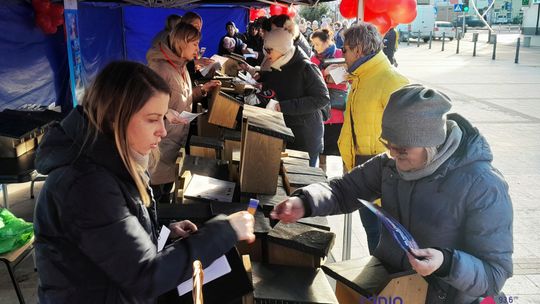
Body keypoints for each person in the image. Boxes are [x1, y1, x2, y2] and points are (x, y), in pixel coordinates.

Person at [33, 61, 255, 303]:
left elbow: (112, 239)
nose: (163, 130)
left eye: (163, 117)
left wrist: (161, 232)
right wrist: (225, 231)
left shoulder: (111, 159)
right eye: (153, 119)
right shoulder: (86, 184)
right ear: (116, 118)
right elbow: (145, 277)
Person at [271, 84, 513, 304]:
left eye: (403, 150)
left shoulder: (483, 186)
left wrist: (445, 263)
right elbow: (344, 189)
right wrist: (305, 202)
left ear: (431, 144)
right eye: (388, 145)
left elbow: (494, 273)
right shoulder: (389, 165)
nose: (394, 155)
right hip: (388, 287)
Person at [339, 22, 409, 254]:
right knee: (372, 234)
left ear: (358, 50)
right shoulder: (360, 79)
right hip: (363, 173)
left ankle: (381, 287)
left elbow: (408, 138)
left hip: (384, 178)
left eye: (345, 49)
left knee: (382, 242)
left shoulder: (391, 80)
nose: (343, 54)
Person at [146, 23, 220, 203]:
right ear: (181, 43)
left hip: (174, 143)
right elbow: (145, 107)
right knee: (155, 199)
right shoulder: (161, 69)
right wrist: (166, 112)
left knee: (166, 195)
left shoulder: (182, 66)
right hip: (159, 146)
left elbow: (182, 98)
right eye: (194, 44)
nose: (197, 49)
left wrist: (202, 90)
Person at [258, 28, 329, 167]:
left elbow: (322, 98)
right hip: (290, 132)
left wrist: (283, 106)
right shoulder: (281, 64)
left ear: (281, 48)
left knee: (302, 182)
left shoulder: (306, 67)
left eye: (269, 50)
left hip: (306, 137)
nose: (267, 54)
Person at [309, 29, 348, 170]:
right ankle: (322, 173)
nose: (315, 48)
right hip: (322, 109)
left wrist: (330, 77)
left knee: (342, 145)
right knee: (322, 147)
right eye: (313, 44)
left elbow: (345, 79)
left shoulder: (341, 54)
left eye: (318, 44)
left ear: (327, 41)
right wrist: (325, 73)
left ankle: (346, 176)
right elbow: (310, 81)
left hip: (339, 109)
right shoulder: (313, 59)